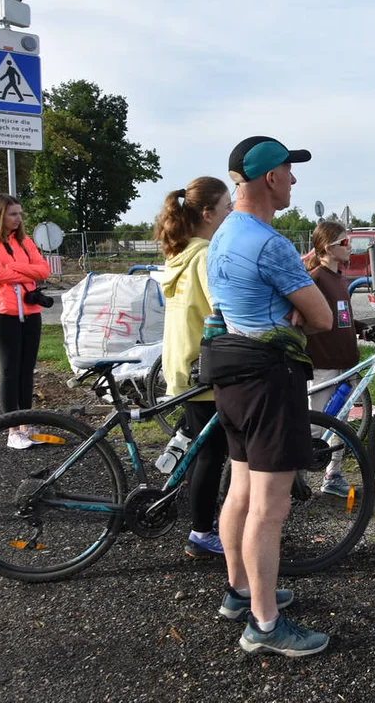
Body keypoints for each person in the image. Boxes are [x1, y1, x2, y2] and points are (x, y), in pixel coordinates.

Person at [206, 135, 335, 657]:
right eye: (288, 169)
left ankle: (240, 593)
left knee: (240, 489)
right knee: (269, 506)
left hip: (231, 371)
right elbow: (324, 318)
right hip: (267, 378)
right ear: (269, 178)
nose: (294, 180)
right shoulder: (269, 242)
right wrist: (300, 303)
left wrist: (289, 298)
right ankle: (264, 624)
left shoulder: (223, 233)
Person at [154, 176, 233, 559]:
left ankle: (171, 491)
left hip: (181, 362)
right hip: (202, 367)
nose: (232, 212)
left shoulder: (179, 253)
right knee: (212, 452)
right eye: (226, 207)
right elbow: (223, 308)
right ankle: (201, 532)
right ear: (207, 214)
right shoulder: (204, 254)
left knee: (197, 440)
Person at [0, 193, 51, 449]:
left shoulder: (25, 241)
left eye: (19, 214)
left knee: (27, 370)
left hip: (31, 312)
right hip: (3, 313)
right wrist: (21, 270)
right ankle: (12, 431)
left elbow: (43, 269)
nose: (18, 219)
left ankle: (25, 425)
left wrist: (13, 271)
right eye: (13, 214)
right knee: (10, 370)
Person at [303, 219, 366, 497]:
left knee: (341, 423)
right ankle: (296, 480)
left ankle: (333, 475)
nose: (349, 247)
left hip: (345, 362)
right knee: (316, 426)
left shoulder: (340, 279)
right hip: (324, 364)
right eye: (345, 242)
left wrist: (362, 328)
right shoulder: (316, 279)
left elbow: (343, 319)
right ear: (328, 248)